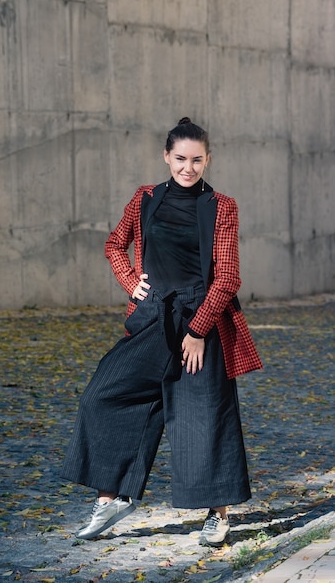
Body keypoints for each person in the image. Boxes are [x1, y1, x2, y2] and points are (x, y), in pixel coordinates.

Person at [61, 117, 262, 546]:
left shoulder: (222, 206)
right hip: (153, 315)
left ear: (208, 159)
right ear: (166, 156)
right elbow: (115, 243)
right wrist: (130, 278)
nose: (187, 168)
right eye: (179, 159)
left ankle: (218, 514)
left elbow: (227, 277)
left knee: (204, 415)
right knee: (104, 395)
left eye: (196, 160)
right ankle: (111, 499)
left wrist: (198, 330)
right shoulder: (145, 198)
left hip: (201, 316)